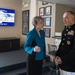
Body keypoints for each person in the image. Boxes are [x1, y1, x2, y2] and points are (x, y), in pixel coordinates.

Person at [55, 11, 75, 75]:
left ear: (73, 18)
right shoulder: (65, 30)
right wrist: (57, 56)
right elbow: (62, 45)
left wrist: (62, 59)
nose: (64, 20)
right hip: (62, 64)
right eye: (63, 18)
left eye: (66, 18)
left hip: (71, 66)